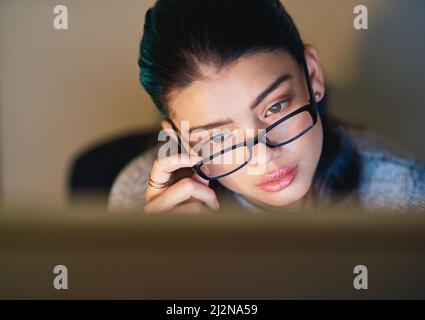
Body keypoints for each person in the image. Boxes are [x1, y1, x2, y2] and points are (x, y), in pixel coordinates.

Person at [108, 0, 425, 214]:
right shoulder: (138, 202)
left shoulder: (403, 193)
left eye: (275, 107)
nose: (262, 155)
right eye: (219, 139)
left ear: (312, 75)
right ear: (180, 139)